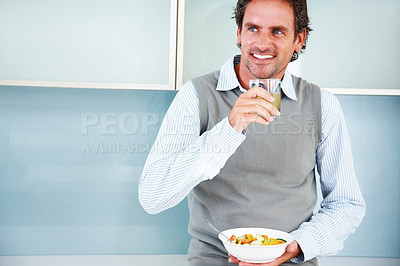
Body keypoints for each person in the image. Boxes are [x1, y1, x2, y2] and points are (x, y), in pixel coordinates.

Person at [138, 0, 366, 265]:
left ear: (299, 39)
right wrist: (229, 129)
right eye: (253, 29)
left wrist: (297, 246)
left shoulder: (323, 104)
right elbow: (152, 197)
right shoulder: (195, 96)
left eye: (277, 31)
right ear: (239, 33)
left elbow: (347, 203)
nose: (262, 44)